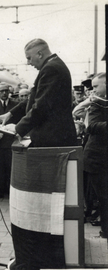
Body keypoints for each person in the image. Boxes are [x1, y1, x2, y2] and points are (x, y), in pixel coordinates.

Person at [2, 39, 77, 270]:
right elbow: (34, 97)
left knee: (44, 203)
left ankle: (36, 258)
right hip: (49, 141)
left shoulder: (52, 69)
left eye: (29, 58)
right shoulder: (51, 66)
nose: (28, 62)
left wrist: (18, 128)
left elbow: (42, 105)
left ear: (40, 53)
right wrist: (11, 114)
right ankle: (32, 256)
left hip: (51, 143)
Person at [83, 73, 107, 239]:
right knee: (104, 197)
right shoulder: (97, 104)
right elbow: (91, 126)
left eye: (97, 86)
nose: (93, 90)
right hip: (97, 159)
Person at [0, 82, 19, 200]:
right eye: (1, 91)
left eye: (6, 91)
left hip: (11, 139)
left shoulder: (15, 105)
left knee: (10, 166)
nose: (4, 93)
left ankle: (10, 190)